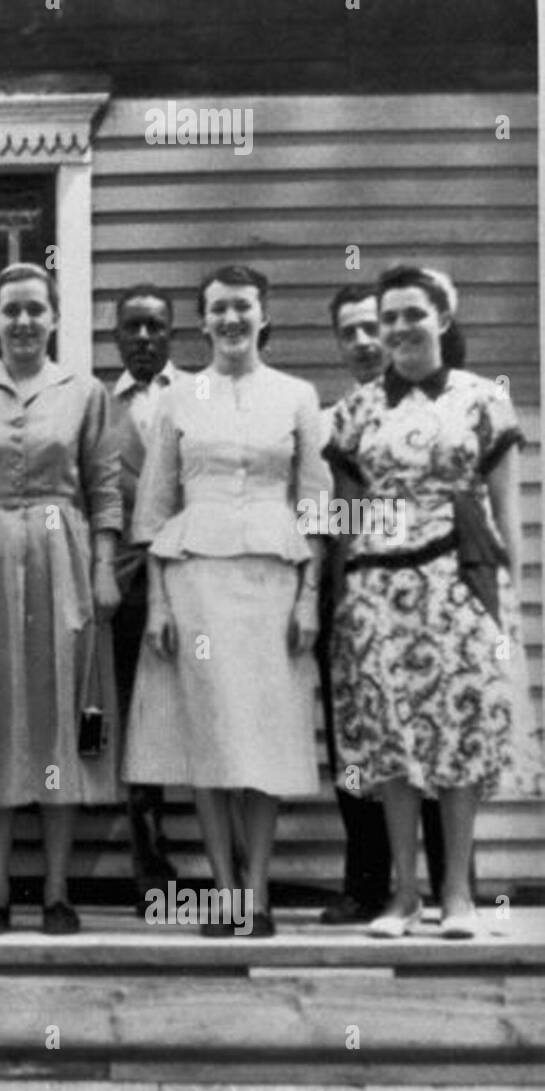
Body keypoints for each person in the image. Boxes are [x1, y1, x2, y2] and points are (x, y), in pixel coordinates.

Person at [125, 264, 329, 938]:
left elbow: (315, 507)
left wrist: (308, 599)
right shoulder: (177, 400)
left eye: (242, 307)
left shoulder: (298, 396)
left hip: (274, 580)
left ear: (262, 313)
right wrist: (155, 603)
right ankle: (224, 892)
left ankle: (259, 893)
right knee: (210, 737)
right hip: (196, 582)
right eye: (218, 310)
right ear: (204, 320)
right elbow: (154, 510)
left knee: (264, 737)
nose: (231, 320)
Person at [326, 265, 526, 938]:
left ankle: (457, 897)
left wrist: (509, 601)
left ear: (442, 318)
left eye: (413, 314)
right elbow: (350, 518)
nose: (399, 328)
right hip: (379, 588)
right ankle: (401, 897)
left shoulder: (480, 400)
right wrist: (348, 596)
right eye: (387, 318)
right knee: (392, 741)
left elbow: (502, 514)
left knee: (459, 732)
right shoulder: (356, 410)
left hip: (456, 581)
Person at [0, 262, 123, 936]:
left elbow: (103, 488)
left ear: (53, 317)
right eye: (9, 310)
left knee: (59, 719)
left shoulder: (84, 392)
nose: (21, 321)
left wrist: (103, 566)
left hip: (60, 553)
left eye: (34, 309)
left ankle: (56, 889)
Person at [109, 284, 183, 902]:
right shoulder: (96, 406)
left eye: (155, 327)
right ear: (115, 337)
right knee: (138, 719)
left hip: (195, 578)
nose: (143, 338)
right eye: (131, 327)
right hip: (127, 586)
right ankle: (149, 867)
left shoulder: (199, 396)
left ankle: (234, 860)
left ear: (172, 334)